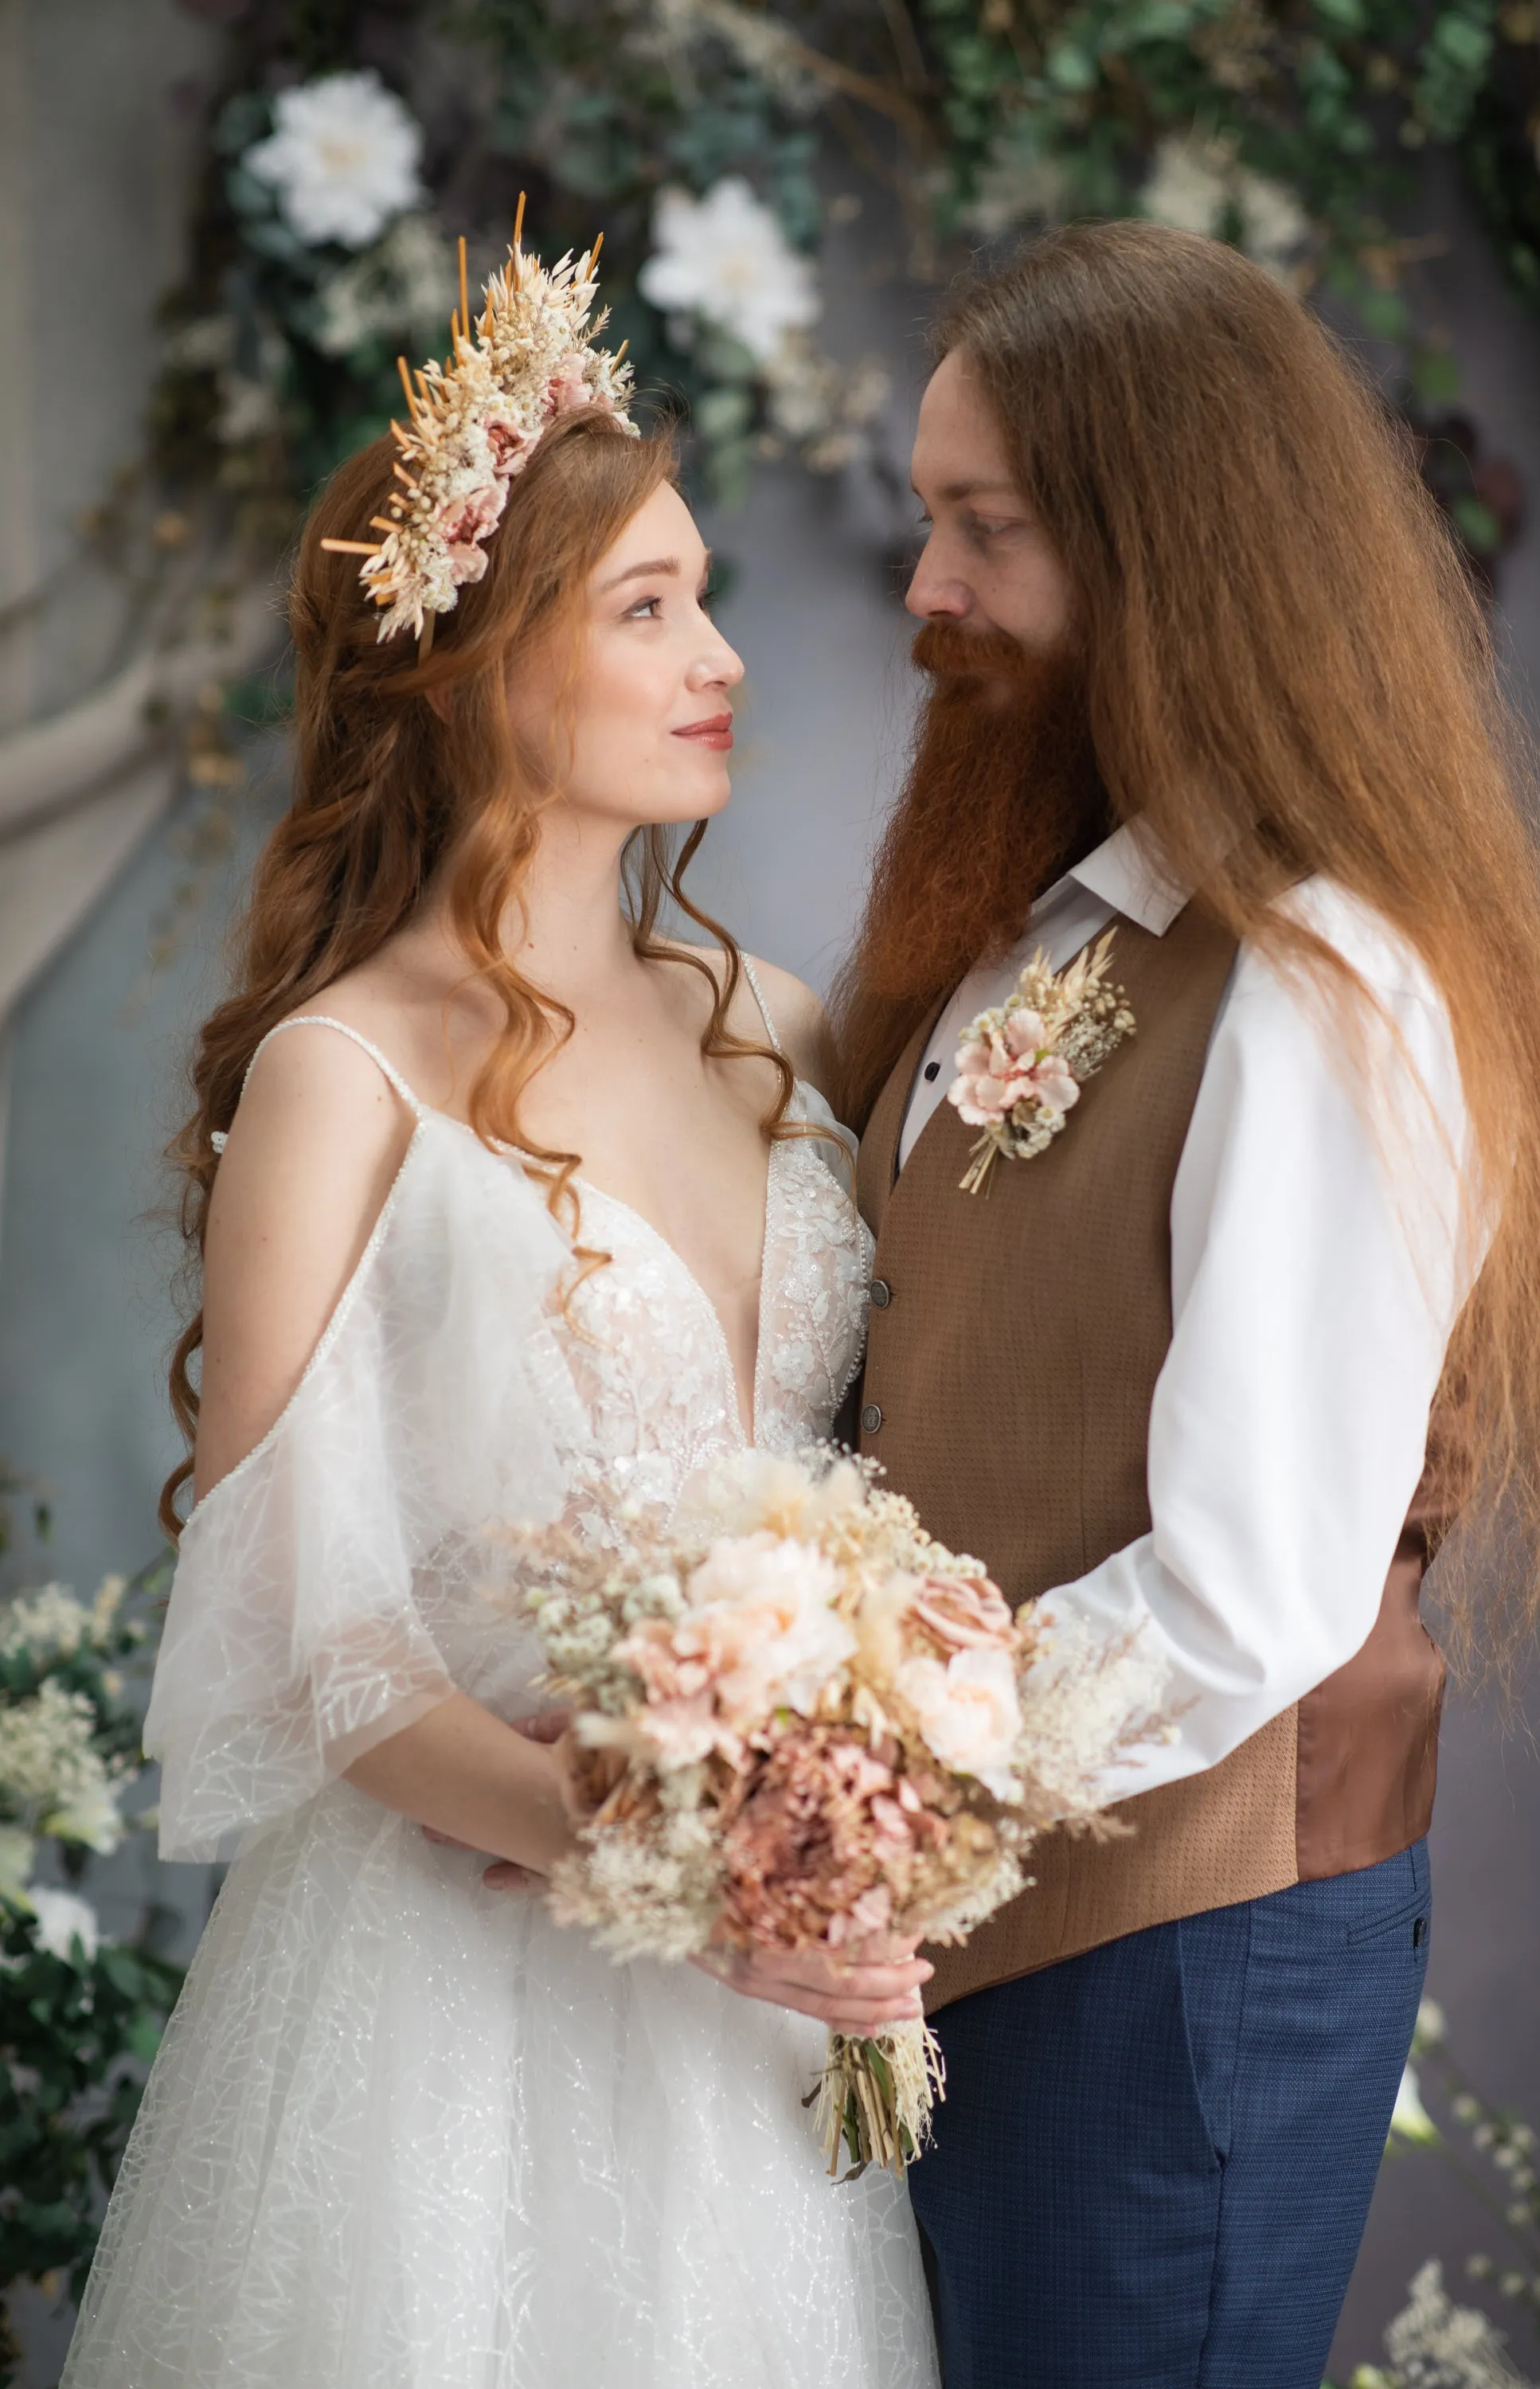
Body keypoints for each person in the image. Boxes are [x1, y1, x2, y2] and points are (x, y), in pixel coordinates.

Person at [63, 243, 936, 2389]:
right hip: (451, 1999)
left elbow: (873, 1486)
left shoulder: (776, 1036)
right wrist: (651, 1845)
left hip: (764, 2028)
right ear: (465, 666)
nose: (723, 655)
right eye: (647, 609)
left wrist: (848, 1807)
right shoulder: (337, 1076)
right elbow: (297, 1620)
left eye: (705, 593)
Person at [831, 221, 1540, 2389]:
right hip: (1007, 1921)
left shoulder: (1320, 972)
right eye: (923, 521)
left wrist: (870, 1770)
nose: (926, 592)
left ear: (1165, 549)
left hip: (1182, 1955)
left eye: (983, 528)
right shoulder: (1051, 939)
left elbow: (1255, 1585)